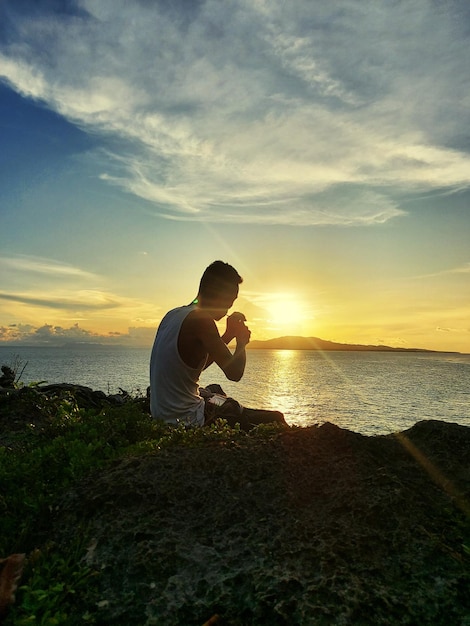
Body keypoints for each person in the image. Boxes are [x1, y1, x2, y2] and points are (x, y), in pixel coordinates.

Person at [149, 260, 286, 430]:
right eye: (229, 299)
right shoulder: (202, 320)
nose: (230, 306)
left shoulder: (173, 315)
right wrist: (241, 341)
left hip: (163, 415)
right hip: (187, 420)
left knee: (215, 389)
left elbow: (192, 368)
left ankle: (231, 408)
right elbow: (234, 373)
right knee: (275, 418)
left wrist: (228, 335)